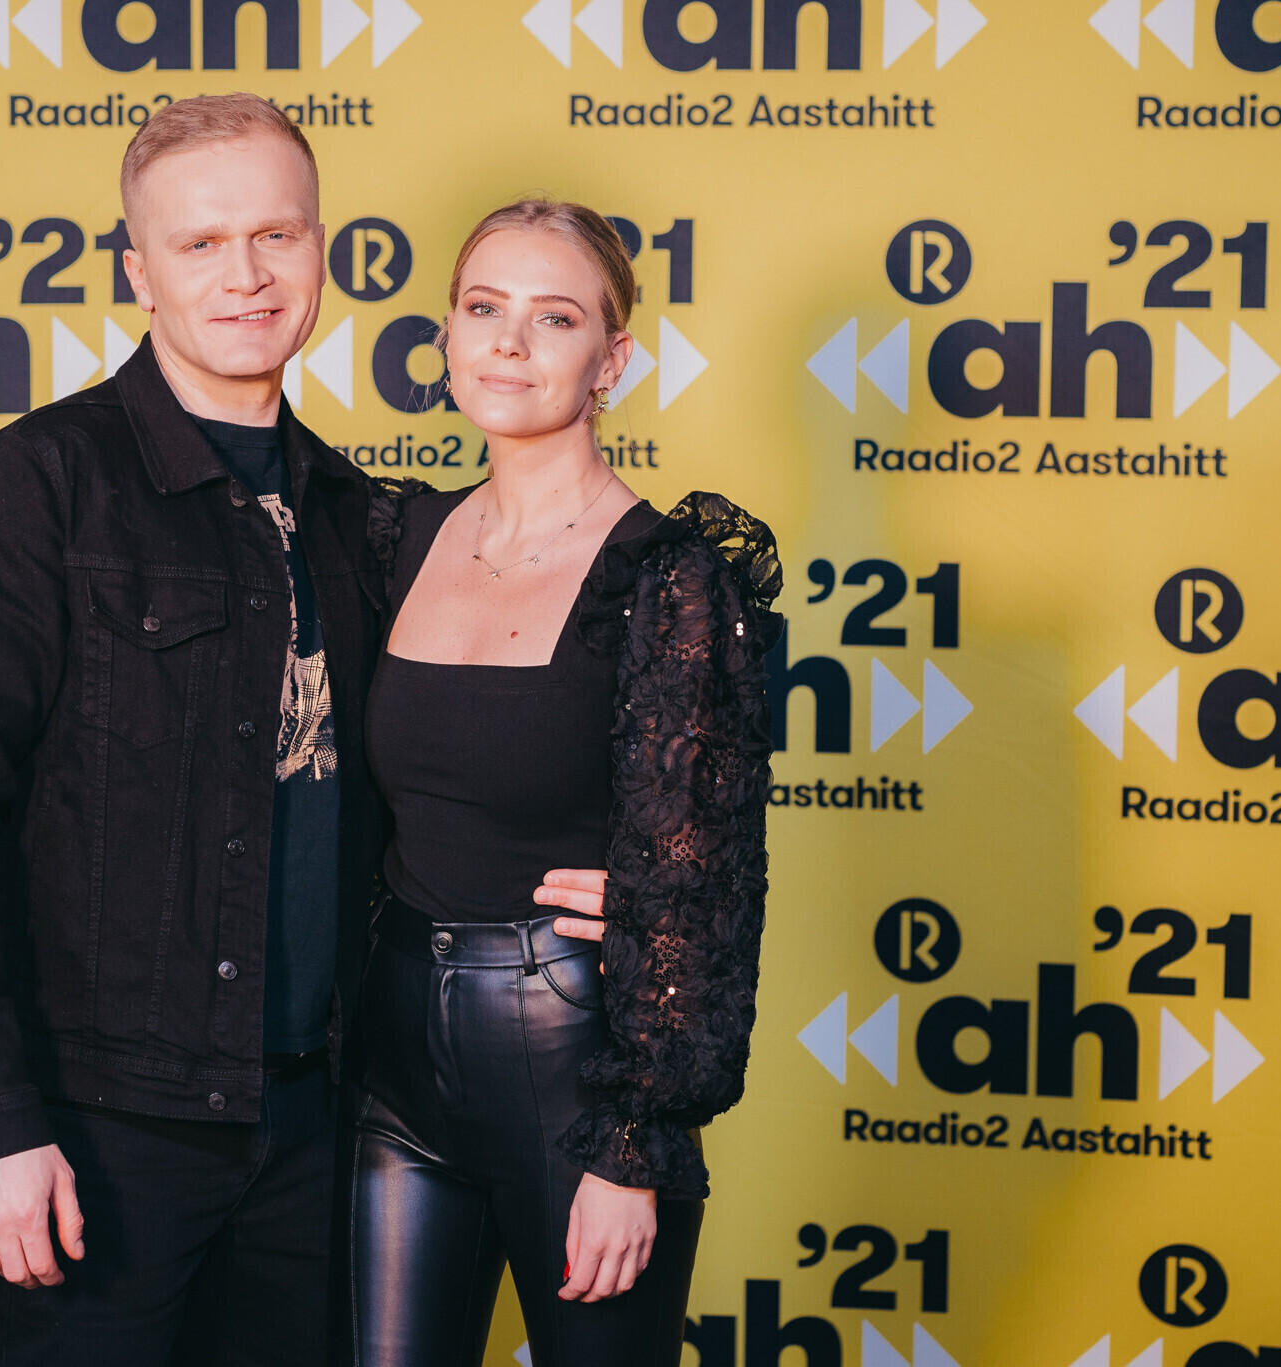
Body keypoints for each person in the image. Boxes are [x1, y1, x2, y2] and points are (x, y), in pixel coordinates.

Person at [0, 97, 606, 1366]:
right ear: (137, 271)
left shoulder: (359, 513)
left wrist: (651, 888)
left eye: (276, 234)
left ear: (321, 248)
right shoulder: (38, 488)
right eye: (201, 242)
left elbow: (451, 775)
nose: (245, 275)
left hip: (324, 1131)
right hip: (100, 1134)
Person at [345, 200, 784, 1367]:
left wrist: (632, 1146)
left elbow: (708, 879)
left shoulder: (668, 577)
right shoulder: (394, 537)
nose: (508, 341)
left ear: (611, 358)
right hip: (391, 1069)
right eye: (482, 308)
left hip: (574, 1065)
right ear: (445, 335)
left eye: (553, 317)